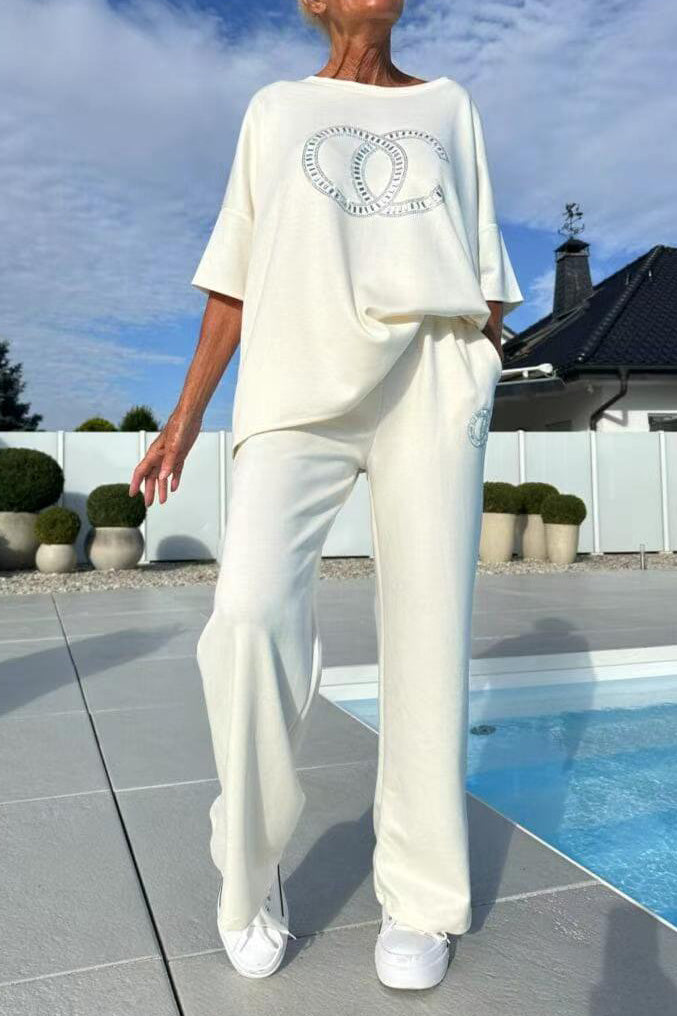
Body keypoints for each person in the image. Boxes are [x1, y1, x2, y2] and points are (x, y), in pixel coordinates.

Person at [129, 0, 523, 990]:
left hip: (428, 380)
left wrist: (475, 365)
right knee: (248, 612)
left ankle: (421, 897)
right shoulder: (275, 109)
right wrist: (184, 417)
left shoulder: (448, 106)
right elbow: (234, 280)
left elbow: (485, 265)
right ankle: (247, 863)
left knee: (429, 632)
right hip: (293, 383)